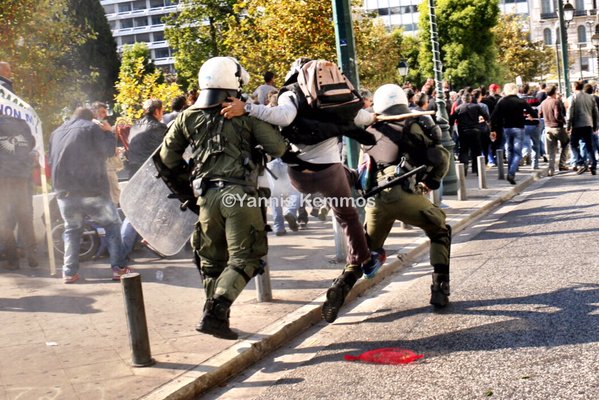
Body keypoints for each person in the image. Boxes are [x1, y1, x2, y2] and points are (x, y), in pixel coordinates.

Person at [221, 57, 379, 324]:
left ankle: (353, 180)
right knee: (348, 217)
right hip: (330, 174)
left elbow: (283, 117)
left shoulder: (291, 94)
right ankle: (364, 261)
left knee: (342, 180)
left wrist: (249, 108)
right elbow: (364, 117)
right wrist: (377, 115)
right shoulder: (335, 97)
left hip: (300, 176)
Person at [158, 57, 288, 340]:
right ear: (233, 83)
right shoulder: (244, 114)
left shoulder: (187, 116)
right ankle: (217, 311)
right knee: (247, 257)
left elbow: (166, 159)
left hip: (206, 197)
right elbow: (278, 147)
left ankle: (216, 318)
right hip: (239, 196)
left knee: (212, 262)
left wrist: (189, 189)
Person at [361, 84, 452, 307]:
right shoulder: (416, 124)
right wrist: (430, 182)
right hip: (406, 193)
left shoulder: (369, 128)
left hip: (376, 196)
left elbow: (363, 168)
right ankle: (440, 287)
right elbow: (440, 157)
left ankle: (341, 284)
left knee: (366, 248)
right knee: (440, 229)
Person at [49, 107, 130, 283]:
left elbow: (51, 159)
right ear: (92, 118)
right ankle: (118, 268)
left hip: (64, 192)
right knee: (112, 225)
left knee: (72, 229)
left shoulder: (56, 133)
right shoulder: (92, 128)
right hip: (92, 189)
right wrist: (109, 132)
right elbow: (108, 151)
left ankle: (69, 272)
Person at [0, 60, 38, 270]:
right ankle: (31, 254)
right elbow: (31, 141)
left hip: (3, 178)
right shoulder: (20, 119)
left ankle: (12, 259)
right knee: (25, 216)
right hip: (21, 176)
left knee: (4, 220)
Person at [121, 99, 168, 258]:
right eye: (162, 110)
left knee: (137, 210)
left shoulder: (135, 126)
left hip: (134, 172)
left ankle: (141, 241)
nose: (163, 114)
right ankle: (125, 250)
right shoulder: (159, 128)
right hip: (149, 173)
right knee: (159, 206)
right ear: (157, 111)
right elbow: (168, 151)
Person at [490, 83, 535, 185]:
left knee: (509, 150)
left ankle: (511, 172)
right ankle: (511, 173)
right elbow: (533, 113)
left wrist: (493, 129)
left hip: (506, 128)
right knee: (518, 153)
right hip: (519, 128)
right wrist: (527, 115)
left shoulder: (502, 102)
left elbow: (493, 117)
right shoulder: (520, 101)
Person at [449, 92, 489, 175]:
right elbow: (486, 116)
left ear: (463, 100)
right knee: (476, 150)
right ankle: (477, 169)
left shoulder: (459, 108)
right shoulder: (476, 107)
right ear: (470, 99)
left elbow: (451, 119)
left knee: (464, 149)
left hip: (463, 131)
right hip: (475, 130)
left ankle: (464, 166)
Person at [567, 80, 598, 175]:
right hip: (588, 124)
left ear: (574, 87)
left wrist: (568, 126)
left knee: (573, 144)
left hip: (577, 125)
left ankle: (581, 162)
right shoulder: (590, 97)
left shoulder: (573, 97)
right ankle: (593, 165)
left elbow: (570, 113)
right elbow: (595, 112)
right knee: (589, 145)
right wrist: (595, 125)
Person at [539, 85, 569, 176]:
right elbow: (557, 116)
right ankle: (562, 164)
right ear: (554, 92)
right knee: (566, 142)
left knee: (551, 150)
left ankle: (551, 170)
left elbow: (539, 114)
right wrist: (564, 122)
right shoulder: (555, 102)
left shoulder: (543, 102)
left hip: (547, 127)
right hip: (557, 127)